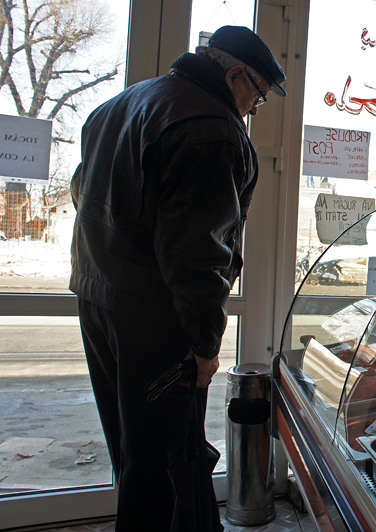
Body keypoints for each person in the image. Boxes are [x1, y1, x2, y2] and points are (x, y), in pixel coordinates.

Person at [69, 25, 285, 532]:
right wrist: (204, 344)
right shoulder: (212, 128)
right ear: (234, 75)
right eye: (257, 94)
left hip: (98, 297)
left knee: (133, 452)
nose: (254, 109)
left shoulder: (121, 104)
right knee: (166, 464)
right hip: (156, 320)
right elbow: (197, 255)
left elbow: (82, 191)